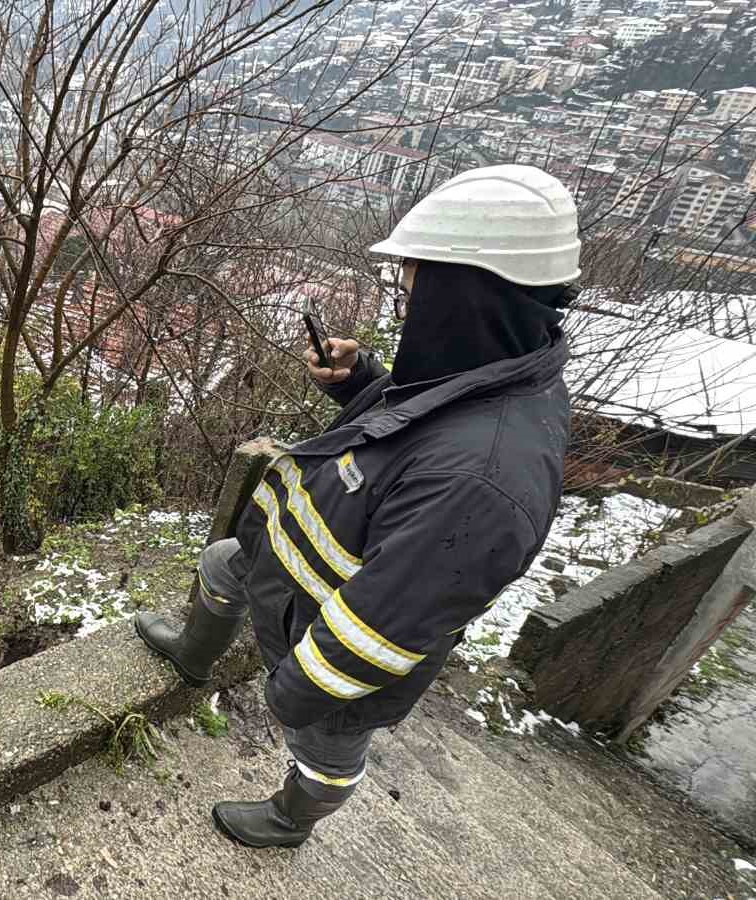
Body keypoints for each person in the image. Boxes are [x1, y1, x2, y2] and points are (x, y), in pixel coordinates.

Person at [133, 164, 581, 849]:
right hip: (294, 577)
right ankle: (194, 657)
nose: (407, 308)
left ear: (466, 295)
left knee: (327, 746)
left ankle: (290, 820)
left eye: (413, 292)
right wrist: (363, 382)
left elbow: (379, 634)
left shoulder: (486, 482)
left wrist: (292, 690)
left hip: (331, 642)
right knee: (224, 563)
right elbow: (420, 429)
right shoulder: (493, 368)